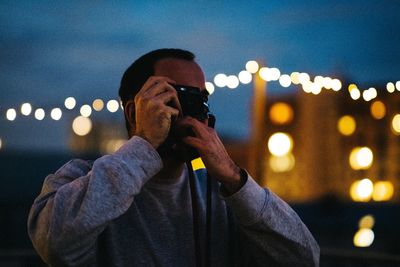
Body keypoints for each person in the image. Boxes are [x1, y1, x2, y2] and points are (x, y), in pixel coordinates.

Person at [28, 48, 320, 266]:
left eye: (201, 99)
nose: (194, 110)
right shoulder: (79, 179)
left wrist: (234, 178)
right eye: (177, 95)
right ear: (134, 111)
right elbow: (54, 244)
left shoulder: (225, 196)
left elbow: (305, 259)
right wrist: (144, 144)